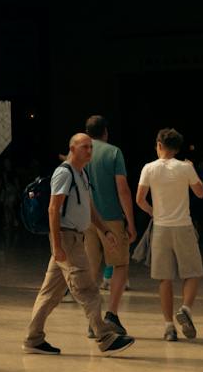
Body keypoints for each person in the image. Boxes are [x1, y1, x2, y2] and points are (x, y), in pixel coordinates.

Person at [22, 133, 134, 356]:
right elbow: (53, 209)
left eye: (91, 147)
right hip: (67, 239)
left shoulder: (81, 174)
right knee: (88, 289)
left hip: (74, 238)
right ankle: (104, 337)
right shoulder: (64, 173)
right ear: (72, 149)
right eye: (85, 147)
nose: (89, 151)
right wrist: (57, 245)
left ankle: (33, 339)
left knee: (50, 293)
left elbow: (88, 207)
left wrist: (104, 230)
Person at [136, 127, 203, 342]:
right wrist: (193, 170)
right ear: (177, 148)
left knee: (164, 278)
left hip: (160, 227)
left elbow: (140, 199)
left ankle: (169, 327)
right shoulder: (185, 168)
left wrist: (153, 212)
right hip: (183, 225)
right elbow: (200, 193)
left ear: (159, 145)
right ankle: (185, 308)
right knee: (193, 272)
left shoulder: (149, 168)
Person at [83, 115, 136, 330]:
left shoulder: (79, 152)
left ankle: (92, 320)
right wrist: (130, 222)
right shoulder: (114, 152)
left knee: (90, 270)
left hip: (86, 220)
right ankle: (111, 315)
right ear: (106, 131)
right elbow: (122, 189)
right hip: (111, 218)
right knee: (120, 264)